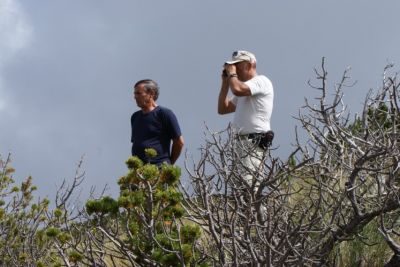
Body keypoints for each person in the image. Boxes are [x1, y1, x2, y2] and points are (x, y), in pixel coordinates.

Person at [218, 50, 274, 190]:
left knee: (249, 190)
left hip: (253, 143)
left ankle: (258, 212)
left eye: (238, 65)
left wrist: (231, 75)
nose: (235, 69)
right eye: (233, 66)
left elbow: (237, 89)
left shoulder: (261, 81)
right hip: (241, 144)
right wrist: (225, 83)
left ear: (250, 65)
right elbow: (223, 109)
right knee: (240, 192)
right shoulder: (245, 88)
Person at [131, 79, 184, 165]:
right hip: (138, 171)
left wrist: (169, 164)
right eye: (134, 94)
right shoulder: (135, 117)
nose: (135, 97)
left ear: (151, 94)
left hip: (159, 169)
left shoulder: (164, 113)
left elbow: (179, 142)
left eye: (138, 93)